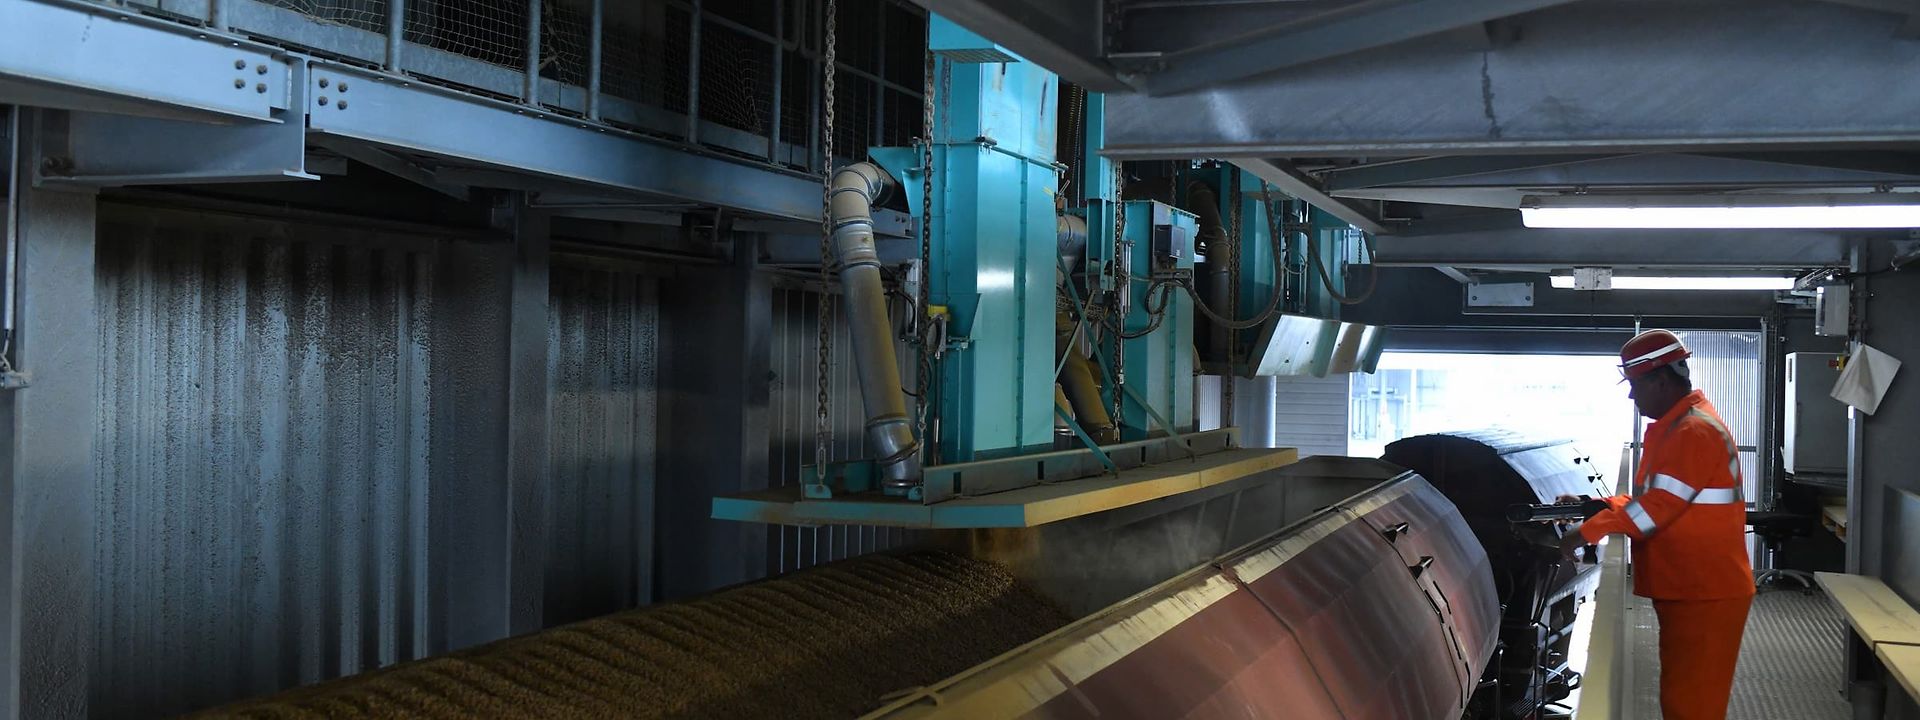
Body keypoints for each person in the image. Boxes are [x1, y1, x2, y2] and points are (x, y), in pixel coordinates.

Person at [1560, 329, 1754, 720]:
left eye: (1634, 386)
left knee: (1691, 707)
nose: (1632, 397)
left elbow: (1652, 514)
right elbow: (1655, 500)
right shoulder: (1678, 426)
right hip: (1694, 587)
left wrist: (1583, 534)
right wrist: (1593, 506)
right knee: (1683, 701)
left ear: (1660, 380)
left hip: (1705, 591)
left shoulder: (1691, 432)